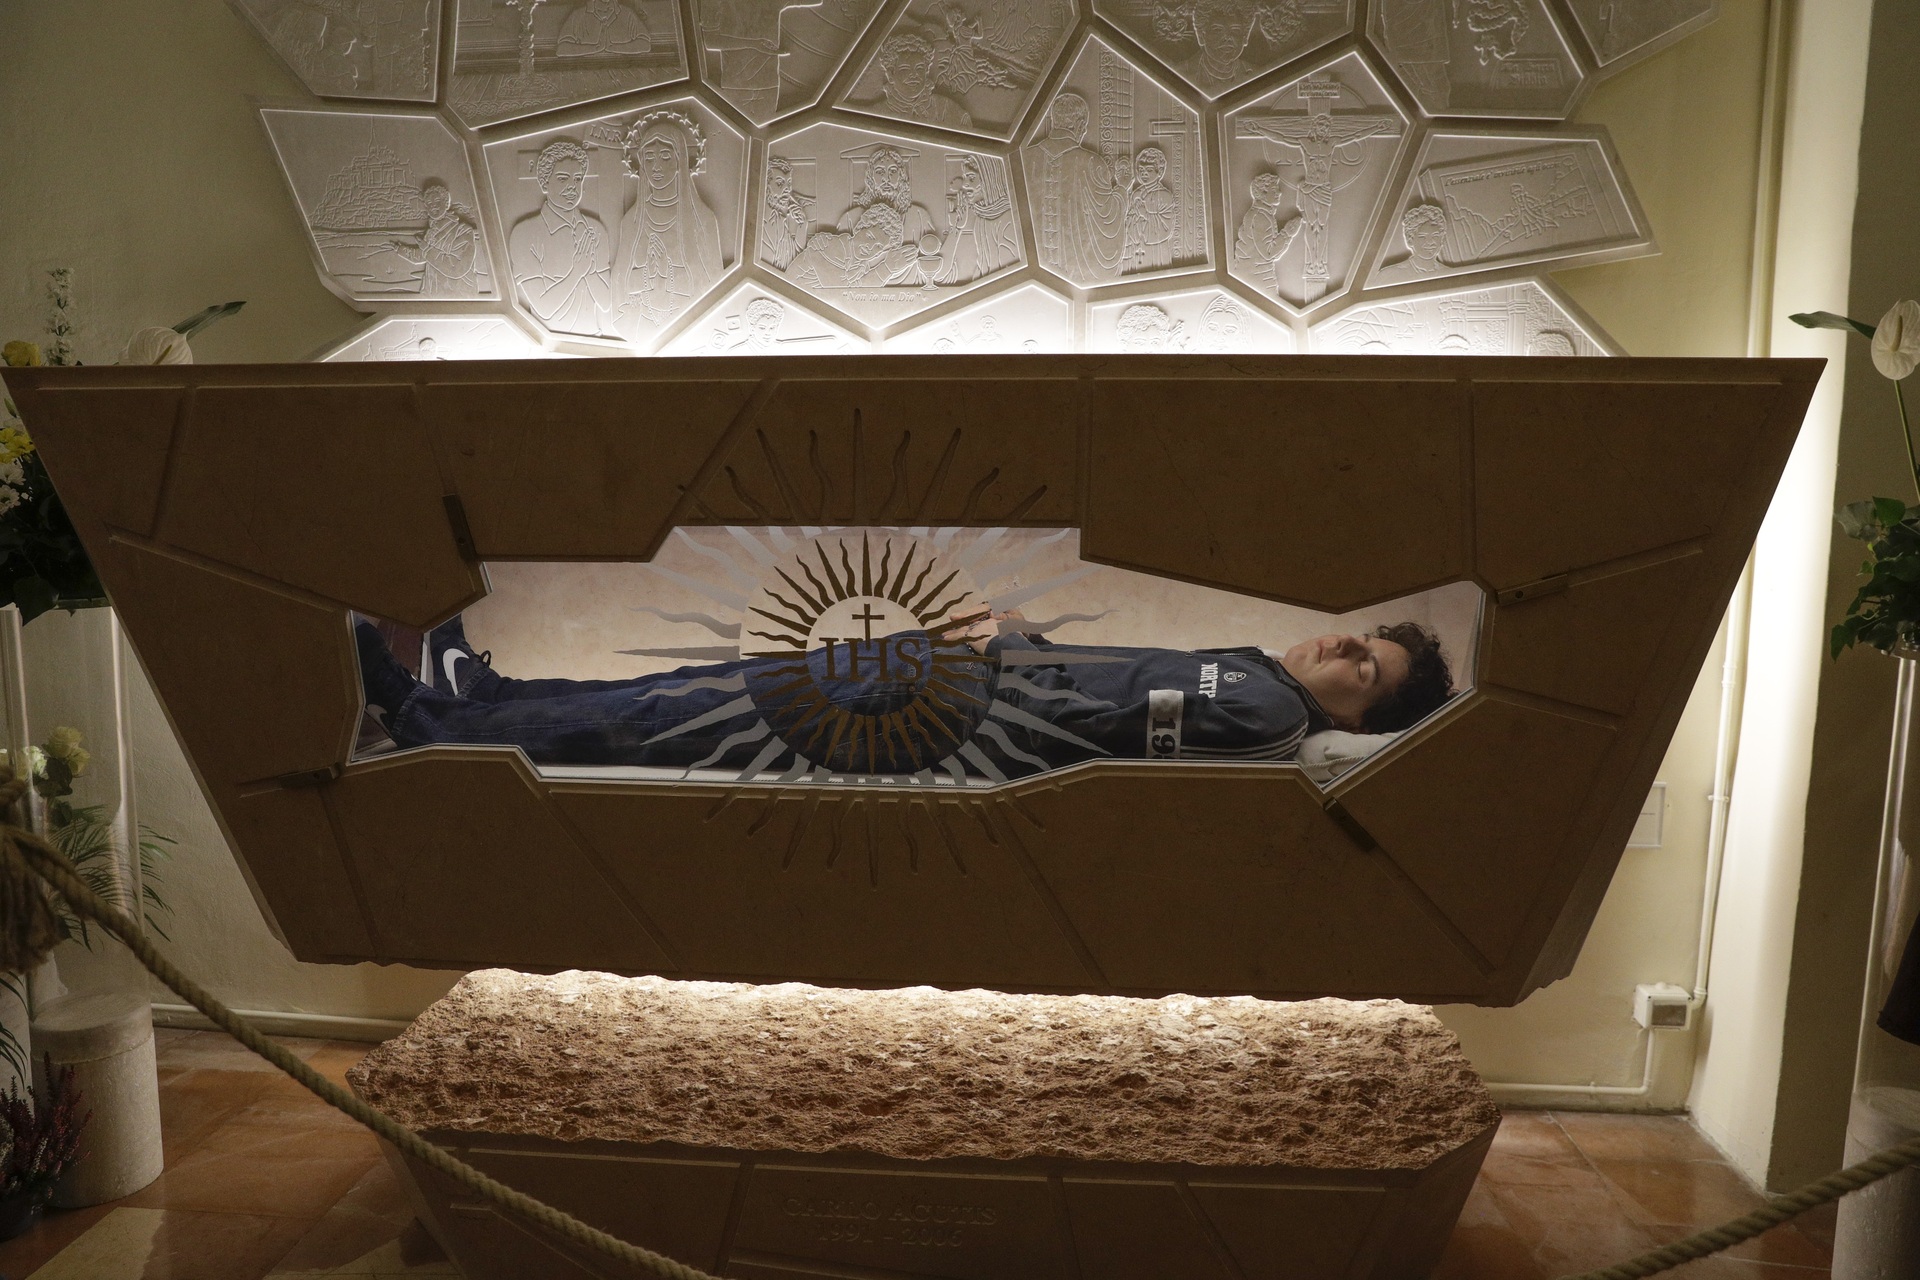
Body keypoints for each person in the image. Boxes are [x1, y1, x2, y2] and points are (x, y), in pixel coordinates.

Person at [354, 609, 1453, 778]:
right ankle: (485, 696)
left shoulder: (1265, 712)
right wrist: (1018, 641)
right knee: (695, 688)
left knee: (675, 715)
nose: (1345, 648)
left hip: (942, 709)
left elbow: (1098, 728)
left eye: (1366, 670)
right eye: (1360, 638)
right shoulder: (1259, 677)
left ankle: (423, 721)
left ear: (1357, 717)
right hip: (951, 686)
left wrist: (997, 669)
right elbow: (1108, 688)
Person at [612, 113, 725, 337]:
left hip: (690, 328)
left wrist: (667, 275)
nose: (656, 166)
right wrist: (649, 277)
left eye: (665, 156)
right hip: (642, 327)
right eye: (648, 158)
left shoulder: (702, 220)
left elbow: (713, 287)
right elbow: (619, 286)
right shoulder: (632, 221)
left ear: (679, 160)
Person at [508, 139, 614, 336]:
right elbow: (543, 308)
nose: (572, 186)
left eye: (578, 179)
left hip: (593, 340)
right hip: (546, 343)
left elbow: (606, 303)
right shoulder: (524, 233)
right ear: (544, 182)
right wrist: (577, 271)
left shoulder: (596, 229)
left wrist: (589, 270)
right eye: (563, 178)